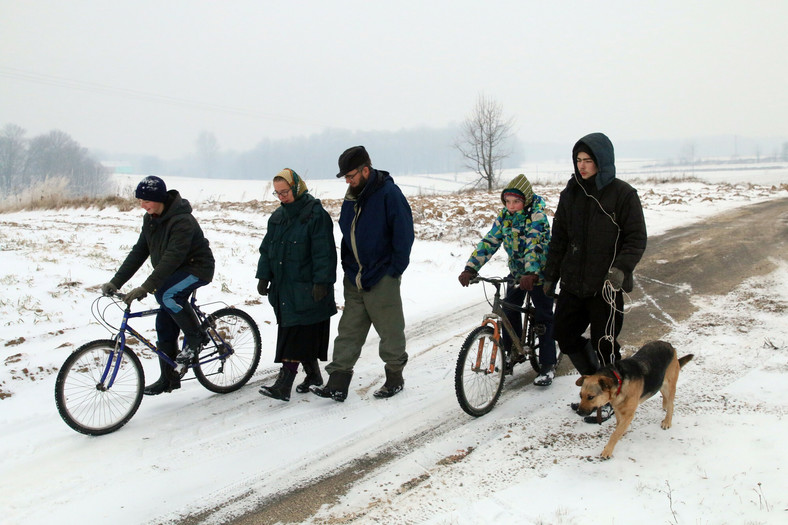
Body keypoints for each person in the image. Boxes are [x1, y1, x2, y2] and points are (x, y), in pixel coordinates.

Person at [543, 132, 647, 422]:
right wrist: (550, 276)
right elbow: (559, 239)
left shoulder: (623, 194)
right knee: (563, 334)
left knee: (605, 344)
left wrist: (621, 269)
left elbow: (636, 238)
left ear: (603, 161)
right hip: (574, 284)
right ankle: (593, 384)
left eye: (588, 160)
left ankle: (612, 398)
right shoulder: (571, 194)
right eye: (578, 160)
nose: (582, 166)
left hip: (606, 286)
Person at [312, 146, 414, 402]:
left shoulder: (389, 194)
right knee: (349, 330)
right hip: (355, 277)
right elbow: (348, 234)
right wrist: (349, 267)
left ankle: (394, 378)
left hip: (382, 276)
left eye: (350, 175)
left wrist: (394, 270)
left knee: (390, 331)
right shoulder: (352, 197)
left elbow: (404, 234)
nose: (347, 181)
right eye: (345, 177)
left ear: (365, 170)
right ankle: (337, 383)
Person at [100, 175, 215, 395]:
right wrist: (116, 282)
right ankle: (168, 378)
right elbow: (139, 252)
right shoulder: (150, 219)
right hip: (175, 270)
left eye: (147, 201)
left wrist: (146, 287)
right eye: (140, 201)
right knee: (164, 323)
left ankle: (196, 336)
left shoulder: (182, 221)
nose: (143, 206)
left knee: (167, 295)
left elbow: (172, 257)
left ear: (160, 199)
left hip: (197, 268)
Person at [458, 174, 557, 386]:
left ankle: (548, 365)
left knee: (543, 316)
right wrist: (470, 267)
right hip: (517, 272)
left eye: (516, 201)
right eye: (508, 201)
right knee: (510, 308)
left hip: (540, 273)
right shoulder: (505, 217)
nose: (511, 206)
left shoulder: (537, 216)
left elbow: (534, 245)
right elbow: (490, 241)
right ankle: (513, 351)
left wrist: (531, 273)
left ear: (526, 200)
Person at [255, 168, 338, 402]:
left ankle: (284, 384)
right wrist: (264, 276)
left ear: (297, 187)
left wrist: (322, 282)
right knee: (298, 332)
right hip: (284, 286)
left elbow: (324, 253)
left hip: (307, 287)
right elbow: (267, 250)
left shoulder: (314, 215)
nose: (282, 197)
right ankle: (313, 376)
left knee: (294, 334)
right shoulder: (278, 218)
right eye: (277, 193)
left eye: (285, 191)